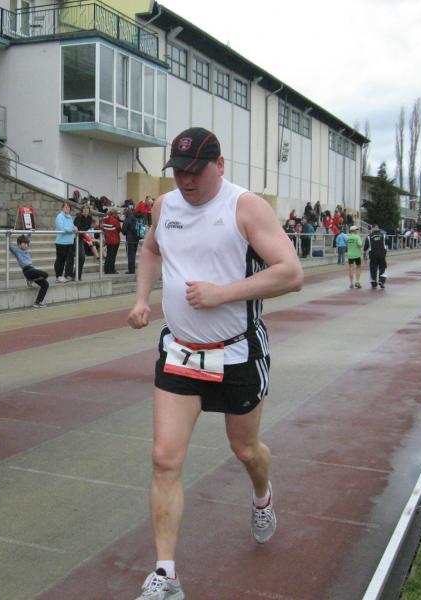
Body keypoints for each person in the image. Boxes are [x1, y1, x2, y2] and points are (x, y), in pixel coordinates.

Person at [127, 127, 303, 599]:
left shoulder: (245, 207)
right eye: (179, 171)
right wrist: (142, 298)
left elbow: (291, 273)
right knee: (164, 459)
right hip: (180, 351)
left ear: (219, 165)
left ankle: (262, 496)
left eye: (195, 171)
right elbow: (151, 250)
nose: (186, 180)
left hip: (236, 352)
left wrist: (223, 294)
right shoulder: (165, 207)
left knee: (245, 450)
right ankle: (166, 575)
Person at [9, 234, 50, 307]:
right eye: (24, 244)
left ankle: (38, 302)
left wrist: (30, 232)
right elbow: (10, 246)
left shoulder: (26, 249)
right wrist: (8, 236)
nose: (26, 245)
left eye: (27, 244)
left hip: (32, 270)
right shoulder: (17, 250)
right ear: (19, 244)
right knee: (45, 274)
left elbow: (28, 238)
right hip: (27, 271)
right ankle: (30, 280)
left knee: (45, 284)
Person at [54, 201, 75, 282]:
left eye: (68, 207)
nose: (67, 208)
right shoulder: (59, 216)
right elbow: (62, 229)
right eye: (65, 207)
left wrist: (74, 228)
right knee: (60, 260)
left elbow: (72, 227)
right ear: (62, 208)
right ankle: (58, 276)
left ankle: (65, 275)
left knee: (66, 260)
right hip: (61, 242)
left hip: (69, 242)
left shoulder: (70, 217)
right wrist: (72, 229)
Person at [73, 204, 94, 280]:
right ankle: (72, 275)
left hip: (81, 238)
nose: (85, 210)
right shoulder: (78, 217)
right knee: (76, 257)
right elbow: (78, 227)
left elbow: (87, 228)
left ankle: (77, 275)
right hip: (74, 238)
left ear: (89, 211)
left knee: (82, 257)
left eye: (87, 209)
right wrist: (82, 229)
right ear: (82, 210)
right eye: (84, 209)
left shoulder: (89, 218)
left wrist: (82, 229)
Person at [364, 224, 388, 289]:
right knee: (383, 267)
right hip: (382, 254)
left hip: (372, 255)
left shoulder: (369, 236)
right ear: (378, 228)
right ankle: (381, 280)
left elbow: (366, 247)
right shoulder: (383, 235)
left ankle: (373, 282)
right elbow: (387, 243)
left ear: (372, 229)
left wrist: (364, 253)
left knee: (373, 268)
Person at [102, 208, 121, 274]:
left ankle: (106, 269)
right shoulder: (115, 221)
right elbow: (119, 229)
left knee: (108, 255)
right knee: (113, 256)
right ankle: (111, 270)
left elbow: (103, 229)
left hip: (108, 240)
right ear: (114, 214)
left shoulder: (104, 220)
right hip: (115, 240)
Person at [121, 206, 139, 274]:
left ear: (126, 214)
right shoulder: (135, 219)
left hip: (130, 240)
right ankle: (133, 269)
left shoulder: (127, 219)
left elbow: (123, 231)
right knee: (133, 254)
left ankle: (131, 270)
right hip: (136, 239)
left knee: (130, 255)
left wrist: (126, 232)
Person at [346, 224, 363, 289]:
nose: (357, 231)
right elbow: (360, 245)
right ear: (354, 230)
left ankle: (351, 283)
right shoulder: (357, 237)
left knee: (351, 269)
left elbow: (347, 245)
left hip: (350, 255)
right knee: (358, 267)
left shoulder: (347, 237)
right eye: (356, 230)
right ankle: (357, 281)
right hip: (357, 254)